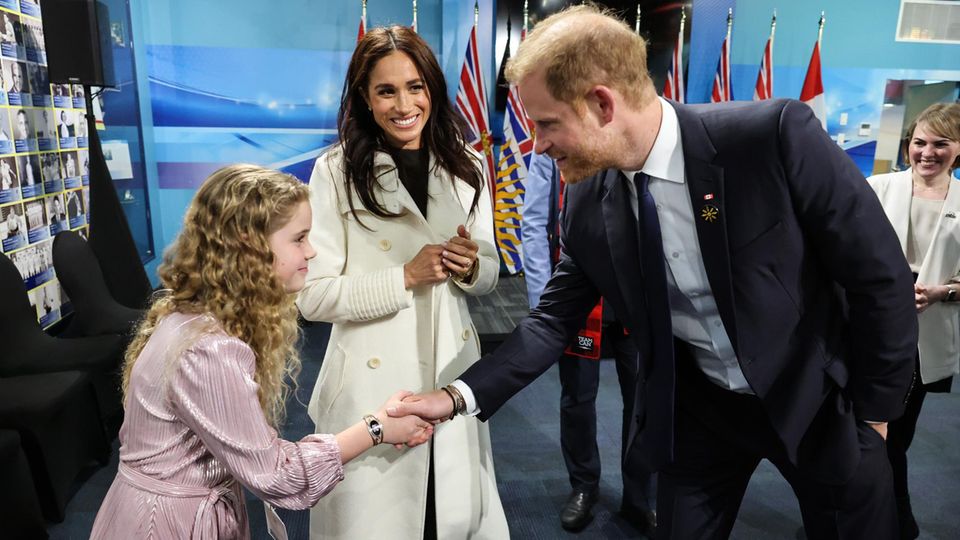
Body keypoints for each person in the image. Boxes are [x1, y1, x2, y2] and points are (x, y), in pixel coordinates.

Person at [390, 6, 918, 540]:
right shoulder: (587, 203)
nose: (540, 146)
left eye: (547, 124)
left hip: (818, 403)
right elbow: (551, 321)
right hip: (701, 417)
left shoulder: (770, 138)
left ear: (602, 102)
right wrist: (454, 397)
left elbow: (878, 277)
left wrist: (875, 414)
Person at [89, 164, 434, 538]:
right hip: (167, 525)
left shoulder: (192, 317)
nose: (312, 250)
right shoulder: (210, 349)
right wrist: (376, 428)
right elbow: (277, 475)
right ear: (248, 243)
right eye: (299, 238)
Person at [296, 25, 508, 540]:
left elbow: (489, 270)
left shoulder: (468, 163)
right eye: (385, 90)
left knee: (447, 518)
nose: (403, 104)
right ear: (365, 99)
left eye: (415, 86)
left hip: (449, 372)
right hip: (372, 390)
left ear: (432, 89)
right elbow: (312, 296)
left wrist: (471, 265)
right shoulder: (335, 171)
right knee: (379, 522)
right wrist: (405, 277)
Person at [522, 151, 654, 532]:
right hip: (580, 294)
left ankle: (640, 494)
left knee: (643, 397)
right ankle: (583, 487)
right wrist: (545, 304)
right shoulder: (558, 142)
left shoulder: (633, 139)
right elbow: (534, 223)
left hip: (635, 294)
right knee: (578, 397)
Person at [866, 102, 960, 539]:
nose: (927, 152)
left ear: (958, 149)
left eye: (940, 143)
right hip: (867, 333)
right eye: (919, 142)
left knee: (894, 439)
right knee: (860, 436)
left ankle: (894, 525)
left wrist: (946, 291)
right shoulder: (875, 186)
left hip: (924, 340)